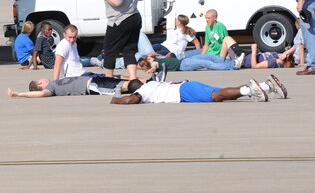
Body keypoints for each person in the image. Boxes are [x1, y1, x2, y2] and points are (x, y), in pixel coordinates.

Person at [98, 0, 141, 79]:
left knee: (109, 50)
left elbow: (117, 2)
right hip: (134, 17)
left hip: (120, 19)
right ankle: (133, 79)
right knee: (129, 49)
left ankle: (109, 79)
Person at [111, 75, 287, 105]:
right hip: (187, 86)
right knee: (224, 94)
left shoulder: (144, 90)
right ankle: (267, 86)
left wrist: (115, 99)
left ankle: (252, 90)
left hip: (184, 93)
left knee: (217, 96)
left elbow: (131, 100)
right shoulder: (154, 84)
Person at [7, 75, 131, 98]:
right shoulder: (50, 88)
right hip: (92, 86)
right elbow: (41, 94)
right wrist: (18, 94)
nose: (42, 78)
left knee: (123, 83)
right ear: (39, 83)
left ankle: (149, 83)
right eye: (39, 79)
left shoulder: (54, 83)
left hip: (93, 80)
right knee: (123, 87)